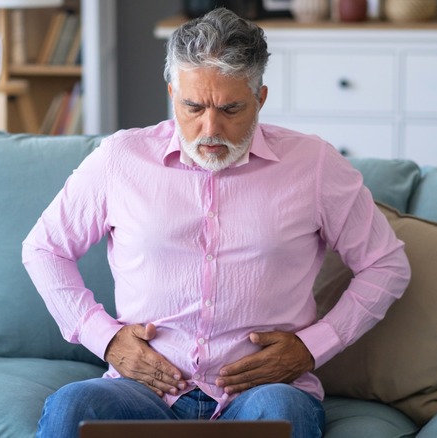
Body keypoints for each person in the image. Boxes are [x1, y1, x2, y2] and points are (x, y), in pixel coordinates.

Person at [22, 7, 410, 438]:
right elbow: (44, 248)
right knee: (72, 405)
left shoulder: (314, 164)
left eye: (231, 108)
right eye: (193, 106)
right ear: (173, 93)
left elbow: (386, 265)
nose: (211, 128)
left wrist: (312, 347)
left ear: (260, 98)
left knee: (283, 410)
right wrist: (106, 339)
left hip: (264, 393)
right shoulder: (119, 159)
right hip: (142, 393)